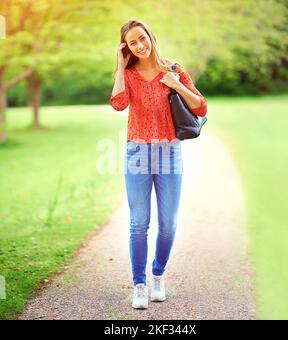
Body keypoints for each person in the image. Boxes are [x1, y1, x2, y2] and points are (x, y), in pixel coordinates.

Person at [109, 19, 207, 309]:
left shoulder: (173, 69)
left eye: (142, 38)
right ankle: (139, 284)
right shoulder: (128, 74)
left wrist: (176, 84)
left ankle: (158, 275)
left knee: (168, 224)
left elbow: (200, 107)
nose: (139, 46)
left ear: (151, 36)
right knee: (139, 224)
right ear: (127, 47)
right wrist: (119, 64)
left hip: (169, 153)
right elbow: (118, 103)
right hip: (137, 153)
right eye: (132, 43)